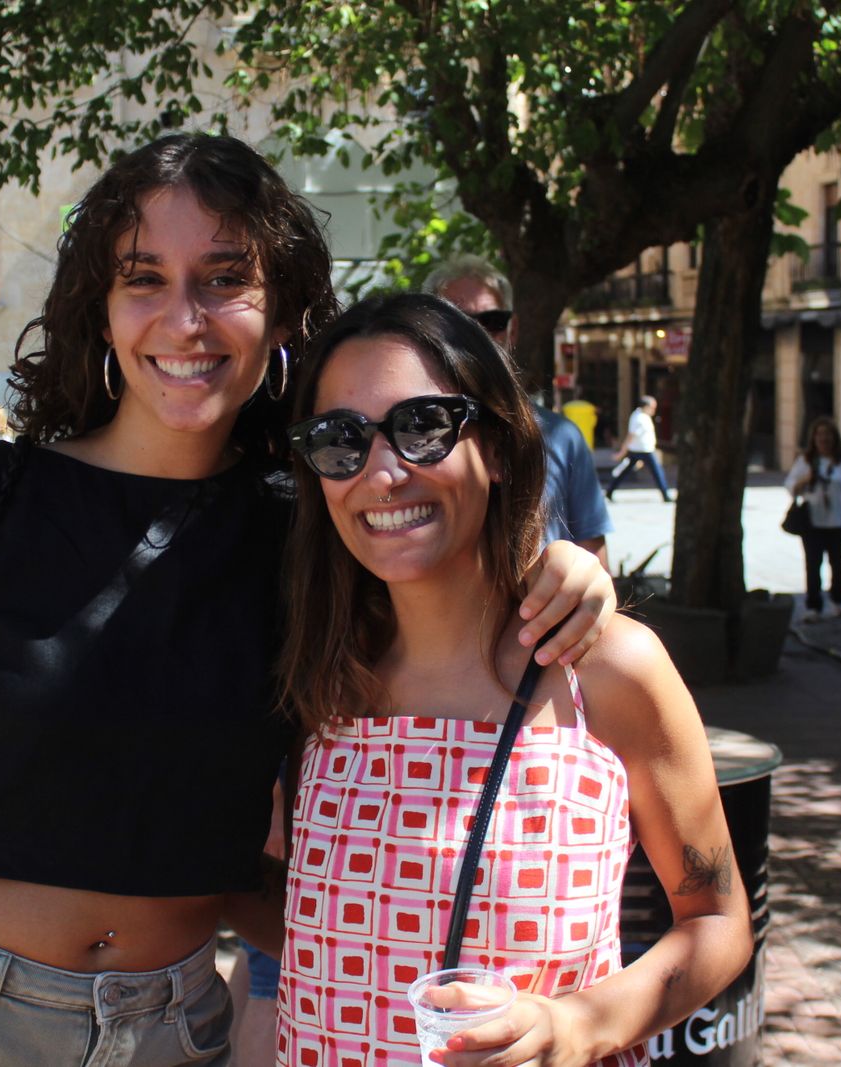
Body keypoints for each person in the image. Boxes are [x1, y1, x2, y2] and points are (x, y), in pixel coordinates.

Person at [0, 134, 616, 1067]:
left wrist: (569, 571)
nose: (186, 319)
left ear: (284, 311)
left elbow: (457, 616)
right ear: (100, 310)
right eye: (144, 279)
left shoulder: (314, 536)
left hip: (167, 1032)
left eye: (224, 279)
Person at [273, 293, 751, 1066]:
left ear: (496, 445)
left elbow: (719, 920)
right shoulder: (315, 674)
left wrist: (581, 1023)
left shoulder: (605, 669)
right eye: (339, 440)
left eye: (422, 426)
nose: (383, 472)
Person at [423, 255, 612, 563]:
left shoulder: (561, 436)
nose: (477, 336)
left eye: (491, 321)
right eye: (457, 323)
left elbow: (595, 560)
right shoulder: (406, 436)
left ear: (512, 331)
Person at [784, 416, 841, 622]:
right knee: (812, 564)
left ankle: (838, 600)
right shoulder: (806, 461)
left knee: (838, 563)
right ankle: (813, 605)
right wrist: (805, 479)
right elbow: (791, 486)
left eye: (827, 434)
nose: (823, 439)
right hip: (812, 520)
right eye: (819, 434)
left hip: (838, 520)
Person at [607, 395, 673, 502]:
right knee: (657, 472)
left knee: (627, 471)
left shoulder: (643, 416)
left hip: (643, 449)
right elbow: (630, 436)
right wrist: (622, 452)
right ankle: (665, 495)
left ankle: (610, 491)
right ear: (646, 406)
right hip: (642, 450)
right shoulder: (638, 417)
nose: (654, 410)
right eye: (652, 407)